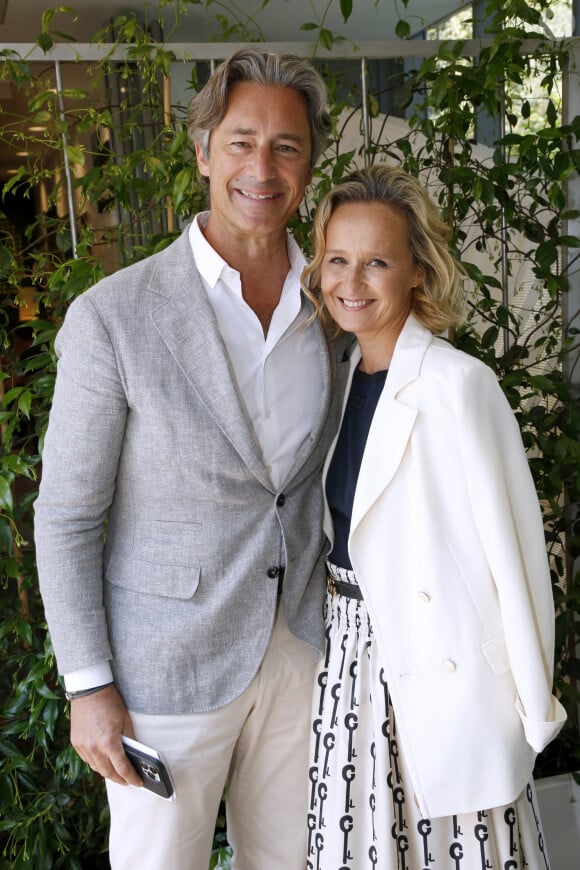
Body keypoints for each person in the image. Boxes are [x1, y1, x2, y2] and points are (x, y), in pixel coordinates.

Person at [34, 48, 348, 870]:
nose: (263, 167)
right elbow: (66, 513)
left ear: (308, 162)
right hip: (162, 672)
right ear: (203, 151)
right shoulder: (115, 316)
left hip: (299, 652)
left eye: (287, 145)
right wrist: (88, 685)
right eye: (242, 141)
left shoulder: (334, 305)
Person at [302, 165, 567, 868]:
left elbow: (518, 564)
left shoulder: (458, 386)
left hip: (436, 669)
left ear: (419, 271)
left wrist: (534, 712)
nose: (351, 281)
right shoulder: (337, 376)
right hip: (350, 663)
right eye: (337, 259)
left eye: (376, 262)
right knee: (360, 844)